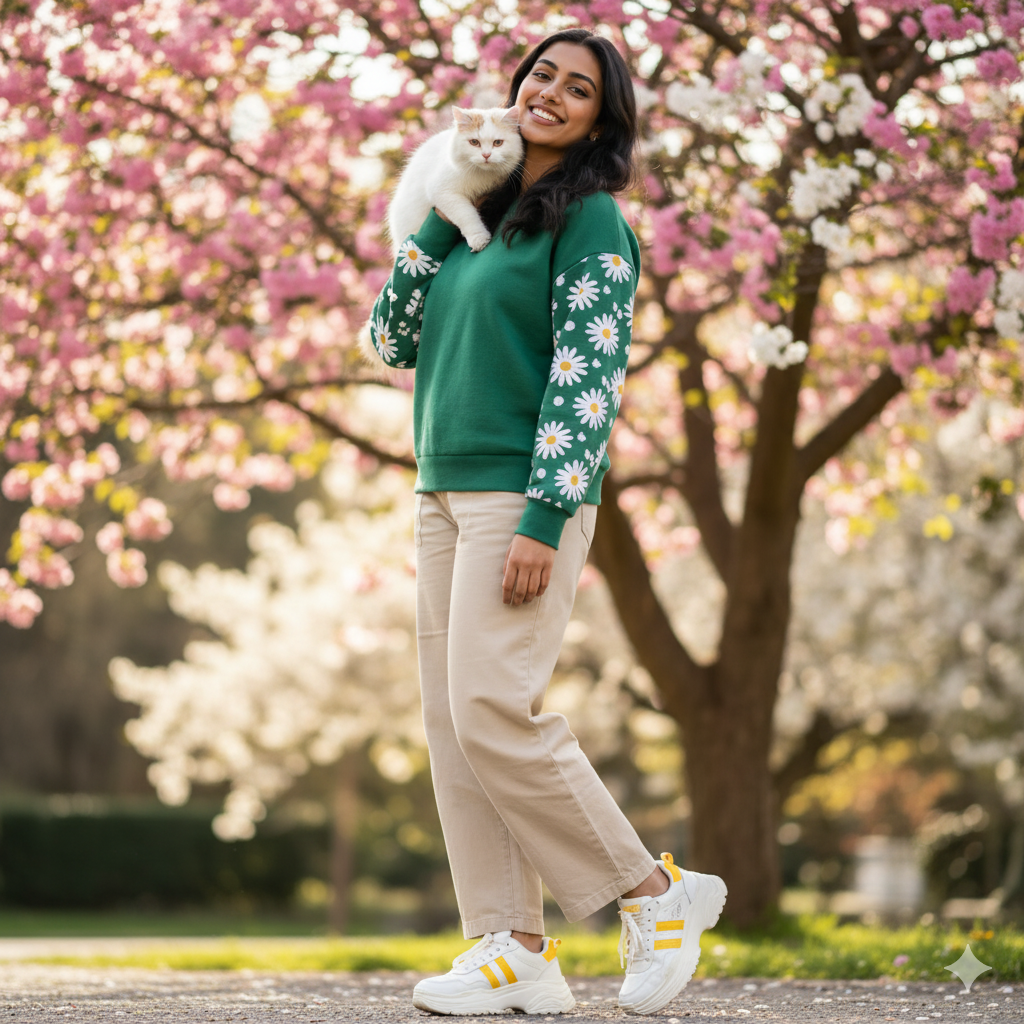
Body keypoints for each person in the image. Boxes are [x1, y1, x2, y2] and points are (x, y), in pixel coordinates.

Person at [367, 27, 726, 1016]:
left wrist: (546, 513)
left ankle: (652, 894)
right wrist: (439, 217)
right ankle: (512, 946)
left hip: (520, 497)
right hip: (440, 491)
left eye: (578, 89)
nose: (551, 95)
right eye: (541, 76)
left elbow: (589, 373)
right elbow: (389, 338)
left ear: (602, 122)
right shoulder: (472, 212)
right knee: (455, 725)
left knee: (491, 706)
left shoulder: (592, 221)